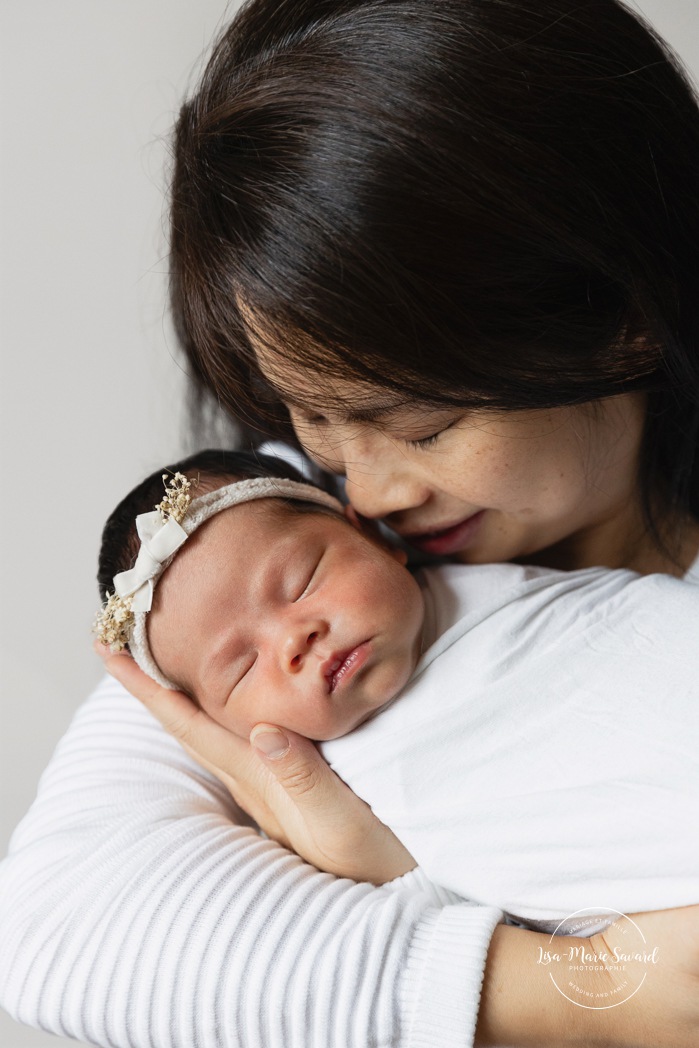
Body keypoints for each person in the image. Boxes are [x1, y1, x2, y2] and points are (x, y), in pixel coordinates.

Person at [2, 1, 699, 1045]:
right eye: (316, 416)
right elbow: (63, 926)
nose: (369, 494)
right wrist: (592, 992)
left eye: (420, 426)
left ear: (625, 316)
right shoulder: (270, 544)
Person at [96, 448, 699, 928]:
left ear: (376, 538)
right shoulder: (333, 802)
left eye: (303, 580)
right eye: (242, 668)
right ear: (224, 730)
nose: (293, 641)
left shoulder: (480, 574)